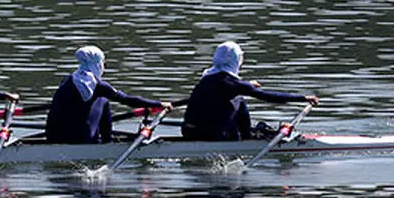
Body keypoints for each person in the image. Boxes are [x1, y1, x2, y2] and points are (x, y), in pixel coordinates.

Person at [179, 41, 318, 141]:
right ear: (236, 60)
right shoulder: (233, 85)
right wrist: (303, 98)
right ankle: (247, 138)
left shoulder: (207, 78)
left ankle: (245, 135)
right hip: (212, 136)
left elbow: (194, 99)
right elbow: (267, 96)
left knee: (236, 97)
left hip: (188, 132)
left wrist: (173, 104)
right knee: (239, 99)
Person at [44, 46, 174, 144]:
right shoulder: (99, 86)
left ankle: (103, 139)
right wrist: (159, 104)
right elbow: (128, 100)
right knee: (103, 100)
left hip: (52, 136)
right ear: (97, 64)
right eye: (103, 62)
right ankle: (107, 142)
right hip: (79, 139)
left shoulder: (67, 79)